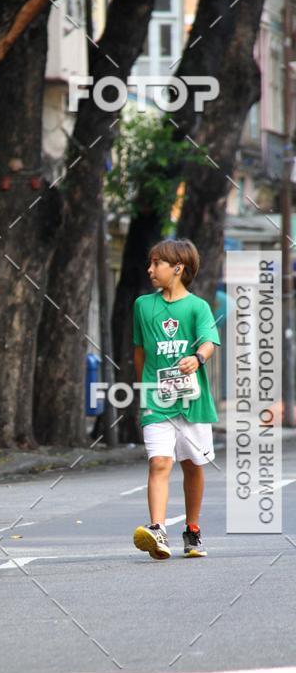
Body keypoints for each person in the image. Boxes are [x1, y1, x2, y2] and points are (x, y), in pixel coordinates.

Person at [132, 238, 220, 560]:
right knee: (159, 462)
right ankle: (157, 530)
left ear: (178, 268)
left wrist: (197, 358)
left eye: (157, 264)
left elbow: (210, 340)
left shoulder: (197, 307)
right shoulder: (142, 305)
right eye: (151, 263)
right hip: (158, 401)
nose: (150, 269)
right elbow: (139, 351)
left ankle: (192, 531)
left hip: (192, 401)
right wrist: (143, 391)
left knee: (193, 466)